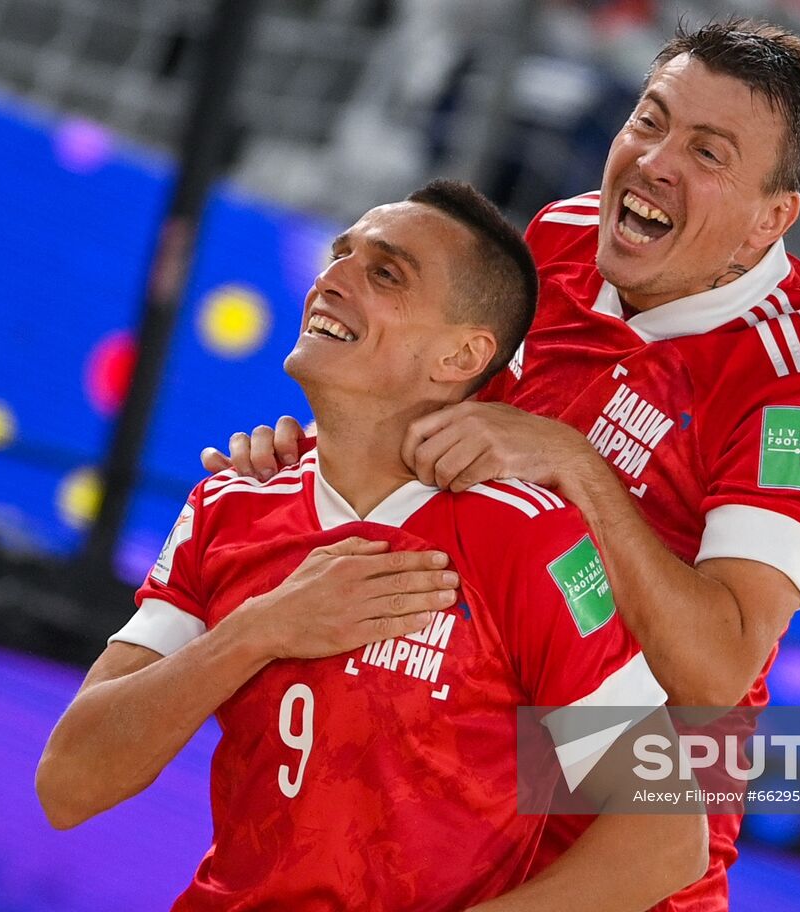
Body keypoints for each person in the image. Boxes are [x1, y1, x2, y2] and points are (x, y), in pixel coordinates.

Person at [204, 19, 800, 912]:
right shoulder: (560, 239)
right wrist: (315, 469)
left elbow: (719, 669)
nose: (654, 162)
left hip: (622, 853)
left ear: (771, 218)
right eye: (650, 119)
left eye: (707, 153)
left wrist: (573, 464)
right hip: (445, 804)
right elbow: (437, 448)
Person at [38, 179, 705, 911]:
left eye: (383, 273)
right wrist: (260, 631)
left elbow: (666, 836)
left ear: (462, 356)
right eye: (339, 255)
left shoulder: (532, 539)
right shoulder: (229, 503)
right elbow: (68, 784)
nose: (332, 279)